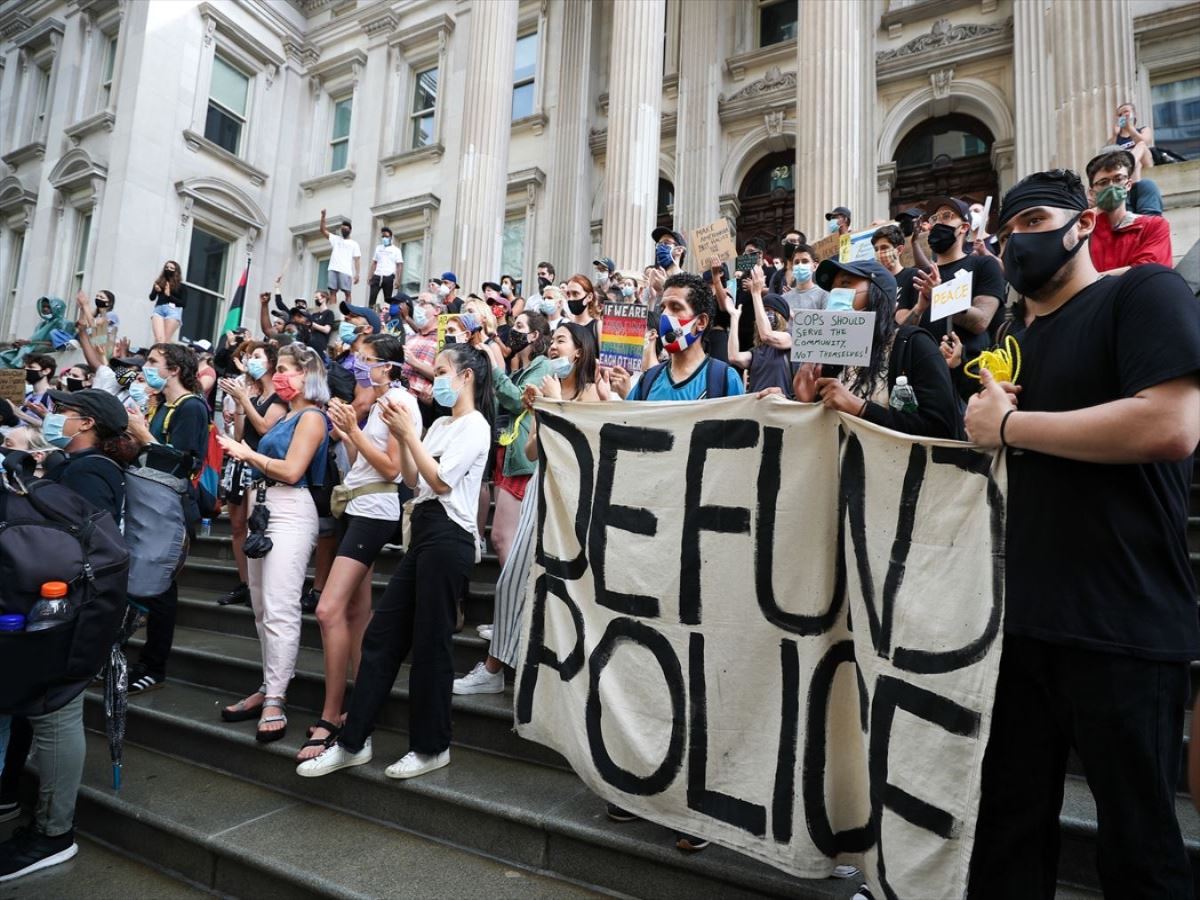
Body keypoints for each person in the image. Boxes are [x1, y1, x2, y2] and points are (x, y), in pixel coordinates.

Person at [963, 168, 1199, 899]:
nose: (1017, 242)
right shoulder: (1011, 339)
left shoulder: (1142, 293)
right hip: (1020, 629)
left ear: (1084, 225)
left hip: (1124, 623)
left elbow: (1169, 423)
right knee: (1005, 837)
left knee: (1140, 850)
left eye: (1033, 221)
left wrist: (1009, 425)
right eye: (1005, 232)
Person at [297, 343, 494, 781]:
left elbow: (442, 481)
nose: (435, 379)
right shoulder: (443, 422)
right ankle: (352, 741)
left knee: (430, 644)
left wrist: (406, 435)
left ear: (466, 377)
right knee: (383, 636)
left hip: (450, 534)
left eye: (443, 371)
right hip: (423, 528)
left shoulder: (475, 425)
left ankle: (431, 747)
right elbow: (410, 476)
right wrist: (395, 435)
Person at [0, 388, 133, 884]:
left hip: (69, 613)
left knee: (57, 714)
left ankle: (53, 833)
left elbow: (82, 546)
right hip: (57, 607)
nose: (55, 417)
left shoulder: (90, 471)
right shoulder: (73, 467)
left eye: (65, 412)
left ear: (87, 424)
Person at [457, 320, 603, 695]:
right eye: (551, 341)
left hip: (575, 498)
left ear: (580, 351)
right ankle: (494, 668)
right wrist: (542, 408)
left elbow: (588, 447)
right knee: (512, 578)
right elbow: (533, 451)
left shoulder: (592, 395)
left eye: (560, 341)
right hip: (543, 489)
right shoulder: (544, 393)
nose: (552, 348)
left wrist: (554, 404)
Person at [296, 334, 418, 761]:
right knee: (354, 612)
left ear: (388, 366)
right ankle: (362, 706)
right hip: (358, 503)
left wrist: (352, 430)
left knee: (328, 608)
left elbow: (391, 468)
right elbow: (364, 460)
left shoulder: (399, 402)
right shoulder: (382, 400)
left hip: (374, 510)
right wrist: (349, 431)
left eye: (366, 361)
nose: (358, 366)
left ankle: (331, 715)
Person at [215, 345, 330, 743]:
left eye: (284, 369)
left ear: (306, 374)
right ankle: (269, 685)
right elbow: (261, 436)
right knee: (263, 608)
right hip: (264, 507)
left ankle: (276, 698)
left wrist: (247, 454)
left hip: (290, 509)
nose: (277, 375)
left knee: (280, 608)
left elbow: (293, 469)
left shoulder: (313, 416)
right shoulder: (289, 415)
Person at [790, 259, 961, 440]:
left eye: (846, 284)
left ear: (877, 293)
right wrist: (805, 402)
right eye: (833, 289)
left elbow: (941, 427)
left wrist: (861, 408)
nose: (835, 294)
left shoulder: (913, 345)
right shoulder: (832, 359)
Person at [124, 343, 209, 694]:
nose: (147, 367)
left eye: (154, 362)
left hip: (170, 508)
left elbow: (185, 463)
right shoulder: (164, 404)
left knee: (160, 589)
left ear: (174, 369)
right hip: (150, 505)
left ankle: (154, 666)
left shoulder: (191, 407)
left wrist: (144, 436)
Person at [216, 342, 288, 606]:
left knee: (255, 526)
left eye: (256, 357)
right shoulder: (253, 396)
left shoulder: (279, 399)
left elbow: (265, 429)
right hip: (240, 463)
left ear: (271, 362)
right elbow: (239, 435)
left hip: (260, 466)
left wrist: (243, 399)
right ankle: (245, 582)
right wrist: (239, 404)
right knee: (237, 527)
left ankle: (259, 585)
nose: (250, 362)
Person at [901, 197, 1007, 366]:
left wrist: (938, 295)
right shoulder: (920, 276)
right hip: (925, 372)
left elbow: (980, 322)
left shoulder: (984, 265)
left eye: (946, 216)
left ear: (964, 227)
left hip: (970, 370)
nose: (937, 223)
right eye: (934, 219)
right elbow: (903, 334)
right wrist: (919, 308)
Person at [610, 273, 744, 402]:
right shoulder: (648, 380)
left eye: (676, 307)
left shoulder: (724, 379)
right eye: (662, 308)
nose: (665, 315)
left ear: (701, 322)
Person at [1085, 150, 1173, 274]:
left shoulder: (1154, 225)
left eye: (1118, 179)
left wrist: (1094, 280)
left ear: (1128, 185)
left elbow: (1150, 271)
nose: (1112, 186)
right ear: (1092, 192)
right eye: (1103, 182)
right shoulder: (1083, 232)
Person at [724, 266, 795, 396]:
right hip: (757, 409)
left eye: (771, 311)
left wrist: (756, 293)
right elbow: (734, 357)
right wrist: (734, 318)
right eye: (764, 310)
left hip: (782, 408)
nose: (767, 315)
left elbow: (767, 335)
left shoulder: (790, 339)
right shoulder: (757, 351)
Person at [319, 209, 361, 306]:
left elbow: (357, 259)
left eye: (345, 229)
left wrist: (357, 274)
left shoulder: (354, 244)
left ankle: (348, 310)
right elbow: (322, 230)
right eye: (342, 229)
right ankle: (334, 310)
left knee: (347, 292)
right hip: (333, 268)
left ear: (350, 230)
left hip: (345, 270)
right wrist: (323, 216)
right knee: (332, 291)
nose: (343, 231)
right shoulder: (336, 239)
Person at [871, 224, 918, 309]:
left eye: (884, 247)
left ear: (899, 250)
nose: (879, 253)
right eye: (876, 249)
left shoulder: (913, 276)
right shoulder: (873, 283)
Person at [1108, 100, 1155, 182]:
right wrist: (1115, 135)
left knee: (1141, 145)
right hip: (1124, 166)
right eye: (1120, 115)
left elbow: (1145, 142)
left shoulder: (1144, 130)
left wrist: (1130, 128)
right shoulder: (1115, 138)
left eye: (1126, 111)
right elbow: (1110, 154)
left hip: (1144, 162)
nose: (1123, 115)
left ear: (1134, 114)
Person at [149, 260, 187, 344]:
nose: (168, 269)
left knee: (165, 341)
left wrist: (169, 296)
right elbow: (152, 297)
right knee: (159, 339)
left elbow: (183, 304)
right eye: (166, 267)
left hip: (172, 311)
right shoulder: (159, 282)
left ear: (176, 271)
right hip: (158, 310)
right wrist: (156, 290)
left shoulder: (181, 286)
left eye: (171, 268)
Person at [368, 227, 403, 310]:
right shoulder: (378, 248)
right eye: (383, 236)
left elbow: (400, 265)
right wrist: (370, 275)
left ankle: (386, 314)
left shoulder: (396, 250)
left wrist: (398, 279)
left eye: (386, 237)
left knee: (387, 298)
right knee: (372, 297)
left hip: (388, 276)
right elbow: (374, 262)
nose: (384, 238)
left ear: (390, 237)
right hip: (377, 275)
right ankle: (371, 312)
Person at [563, 274, 602, 343]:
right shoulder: (566, 325)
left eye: (575, 294)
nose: (571, 299)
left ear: (589, 297)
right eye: (568, 294)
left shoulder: (597, 326)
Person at [305, 292, 336, 359]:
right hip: (309, 344)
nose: (315, 299)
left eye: (317, 297)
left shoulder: (329, 313)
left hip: (320, 346)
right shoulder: (314, 315)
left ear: (324, 298)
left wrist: (312, 324)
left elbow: (327, 330)